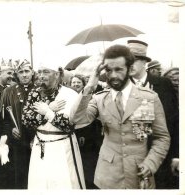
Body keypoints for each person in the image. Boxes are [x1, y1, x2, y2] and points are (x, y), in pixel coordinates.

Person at [70, 45, 170, 189]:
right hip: (107, 178)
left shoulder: (148, 98)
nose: (113, 75)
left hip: (139, 176)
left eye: (119, 69)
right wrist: (89, 86)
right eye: (109, 70)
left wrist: (151, 163)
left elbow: (162, 137)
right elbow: (77, 120)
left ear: (129, 69)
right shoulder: (100, 99)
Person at [21, 63, 85, 189]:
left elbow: (69, 125)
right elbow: (26, 120)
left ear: (57, 74)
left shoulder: (69, 94)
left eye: (45, 72)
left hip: (62, 146)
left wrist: (47, 112)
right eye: (39, 72)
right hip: (40, 146)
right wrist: (50, 108)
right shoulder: (34, 93)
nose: (41, 76)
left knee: (64, 184)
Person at [127, 40, 178, 189]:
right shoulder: (120, 87)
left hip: (162, 157)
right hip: (133, 160)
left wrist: (177, 155)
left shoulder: (163, 84)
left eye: (134, 60)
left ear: (144, 62)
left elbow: (175, 122)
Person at [0, 60, 35, 189]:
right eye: (21, 72)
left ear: (32, 72)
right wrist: (11, 129)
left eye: (27, 71)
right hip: (18, 142)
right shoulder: (8, 92)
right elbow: (3, 120)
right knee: (21, 177)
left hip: (37, 141)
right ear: (16, 74)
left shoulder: (40, 90)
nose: (24, 75)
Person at [70, 74, 103, 189]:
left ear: (84, 84)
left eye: (78, 82)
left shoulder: (91, 97)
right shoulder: (69, 97)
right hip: (74, 135)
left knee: (89, 167)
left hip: (89, 136)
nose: (75, 84)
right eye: (73, 82)